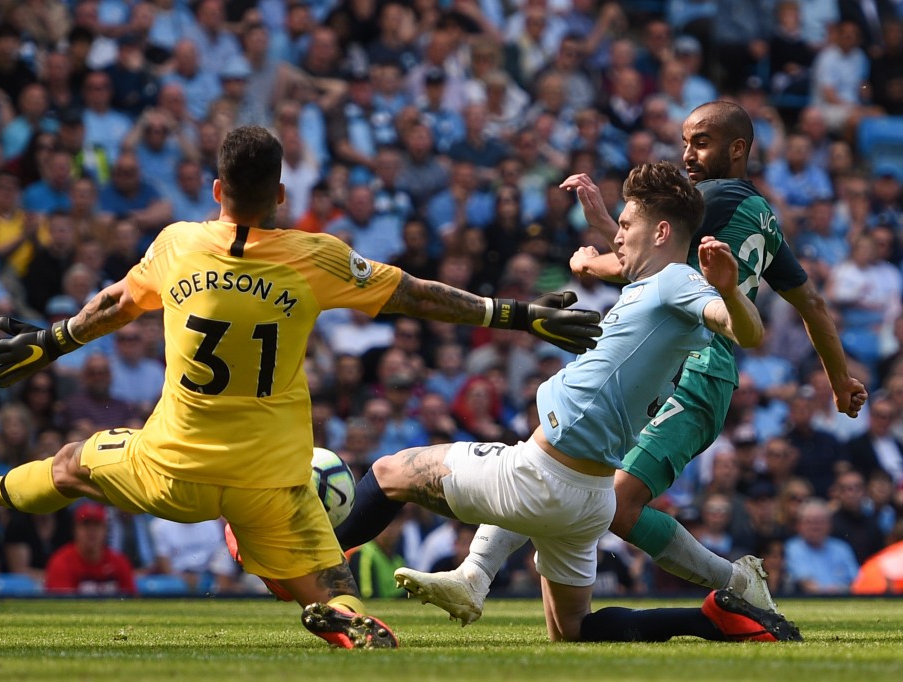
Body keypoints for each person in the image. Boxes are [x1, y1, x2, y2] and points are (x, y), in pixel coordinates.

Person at [0, 125, 602, 650]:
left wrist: (49, 341)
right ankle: (341, 616)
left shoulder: (177, 245)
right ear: (282, 194)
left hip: (172, 469)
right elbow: (417, 296)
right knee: (334, 585)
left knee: (71, 463)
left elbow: (112, 307)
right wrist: (515, 314)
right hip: (273, 483)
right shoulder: (317, 258)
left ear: (217, 189)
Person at [365, 100, 869, 625]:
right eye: (685, 141)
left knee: (616, 505)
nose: (687, 153)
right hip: (686, 362)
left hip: (699, 367)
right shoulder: (758, 213)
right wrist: (839, 381)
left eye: (700, 142)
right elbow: (809, 302)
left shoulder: (712, 199)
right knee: (558, 464)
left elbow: (655, 268)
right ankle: (475, 575)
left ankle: (738, 585)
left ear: (737, 149)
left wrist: (591, 260)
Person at [44, 502, 136, 595]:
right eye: (86, 524)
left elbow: (132, 601)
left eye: (97, 524)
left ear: (106, 530)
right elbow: (60, 605)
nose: (91, 530)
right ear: (75, 529)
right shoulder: (61, 562)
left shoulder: (119, 562)